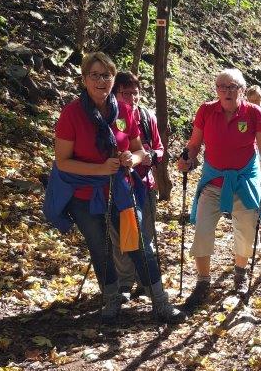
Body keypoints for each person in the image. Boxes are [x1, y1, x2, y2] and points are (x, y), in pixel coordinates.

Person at [43, 52, 181, 324]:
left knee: (139, 243)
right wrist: (99, 169)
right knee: (100, 245)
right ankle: (112, 299)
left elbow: (139, 150)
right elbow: (62, 161)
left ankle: (161, 302)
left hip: (119, 188)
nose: (101, 81)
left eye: (106, 75)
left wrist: (133, 158)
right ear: (84, 79)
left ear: (113, 79)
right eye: (94, 75)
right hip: (82, 192)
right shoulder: (72, 114)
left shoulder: (124, 110)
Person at [177, 68, 261, 304]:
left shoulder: (253, 113)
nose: (226, 91)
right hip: (213, 179)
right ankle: (203, 281)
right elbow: (194, 144)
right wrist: (187, 158)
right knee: (202, 229)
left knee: (246, 229)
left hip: (244, 179)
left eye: (232, 87)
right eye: (221, 87)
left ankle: (240, 274)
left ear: (242, 90)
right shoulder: (206, 110)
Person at [112, 71, 162, 298]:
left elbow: (158, 147)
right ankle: (124, 283)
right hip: (118, 185)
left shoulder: (146, 117)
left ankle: (145, 282)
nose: (132, 98)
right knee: (121, 235)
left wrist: (152, 155)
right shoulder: (109, 117)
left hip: (146, 183)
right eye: (126, 93)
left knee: (146, 234)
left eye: (135, 93)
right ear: (115, 94)